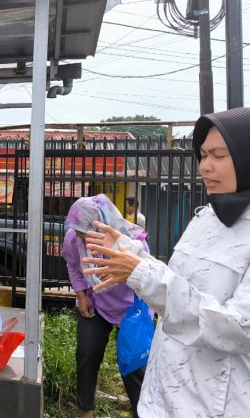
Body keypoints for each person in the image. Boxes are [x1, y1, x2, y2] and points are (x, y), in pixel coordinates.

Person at [83, 108, 250, 417]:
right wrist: (129, 252)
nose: (205, 167)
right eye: (202, 155)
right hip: (162, 399)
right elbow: (180, 286)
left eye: (219, 155)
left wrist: (143, 273)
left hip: (214, 407)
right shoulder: (207, 218)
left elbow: (238, 329)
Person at [62, 194, 149, 418]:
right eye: (77, 230)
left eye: (84, 231)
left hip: (130, 310)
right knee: (86, 354)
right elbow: (73, 266)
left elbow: (147, 275)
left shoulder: (129, 240)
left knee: (134, 367)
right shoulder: (73, 238)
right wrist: (81, 296)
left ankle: (142, 412)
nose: (80, 237)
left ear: (100, 224)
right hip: (96, 305)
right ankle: (86, 411)